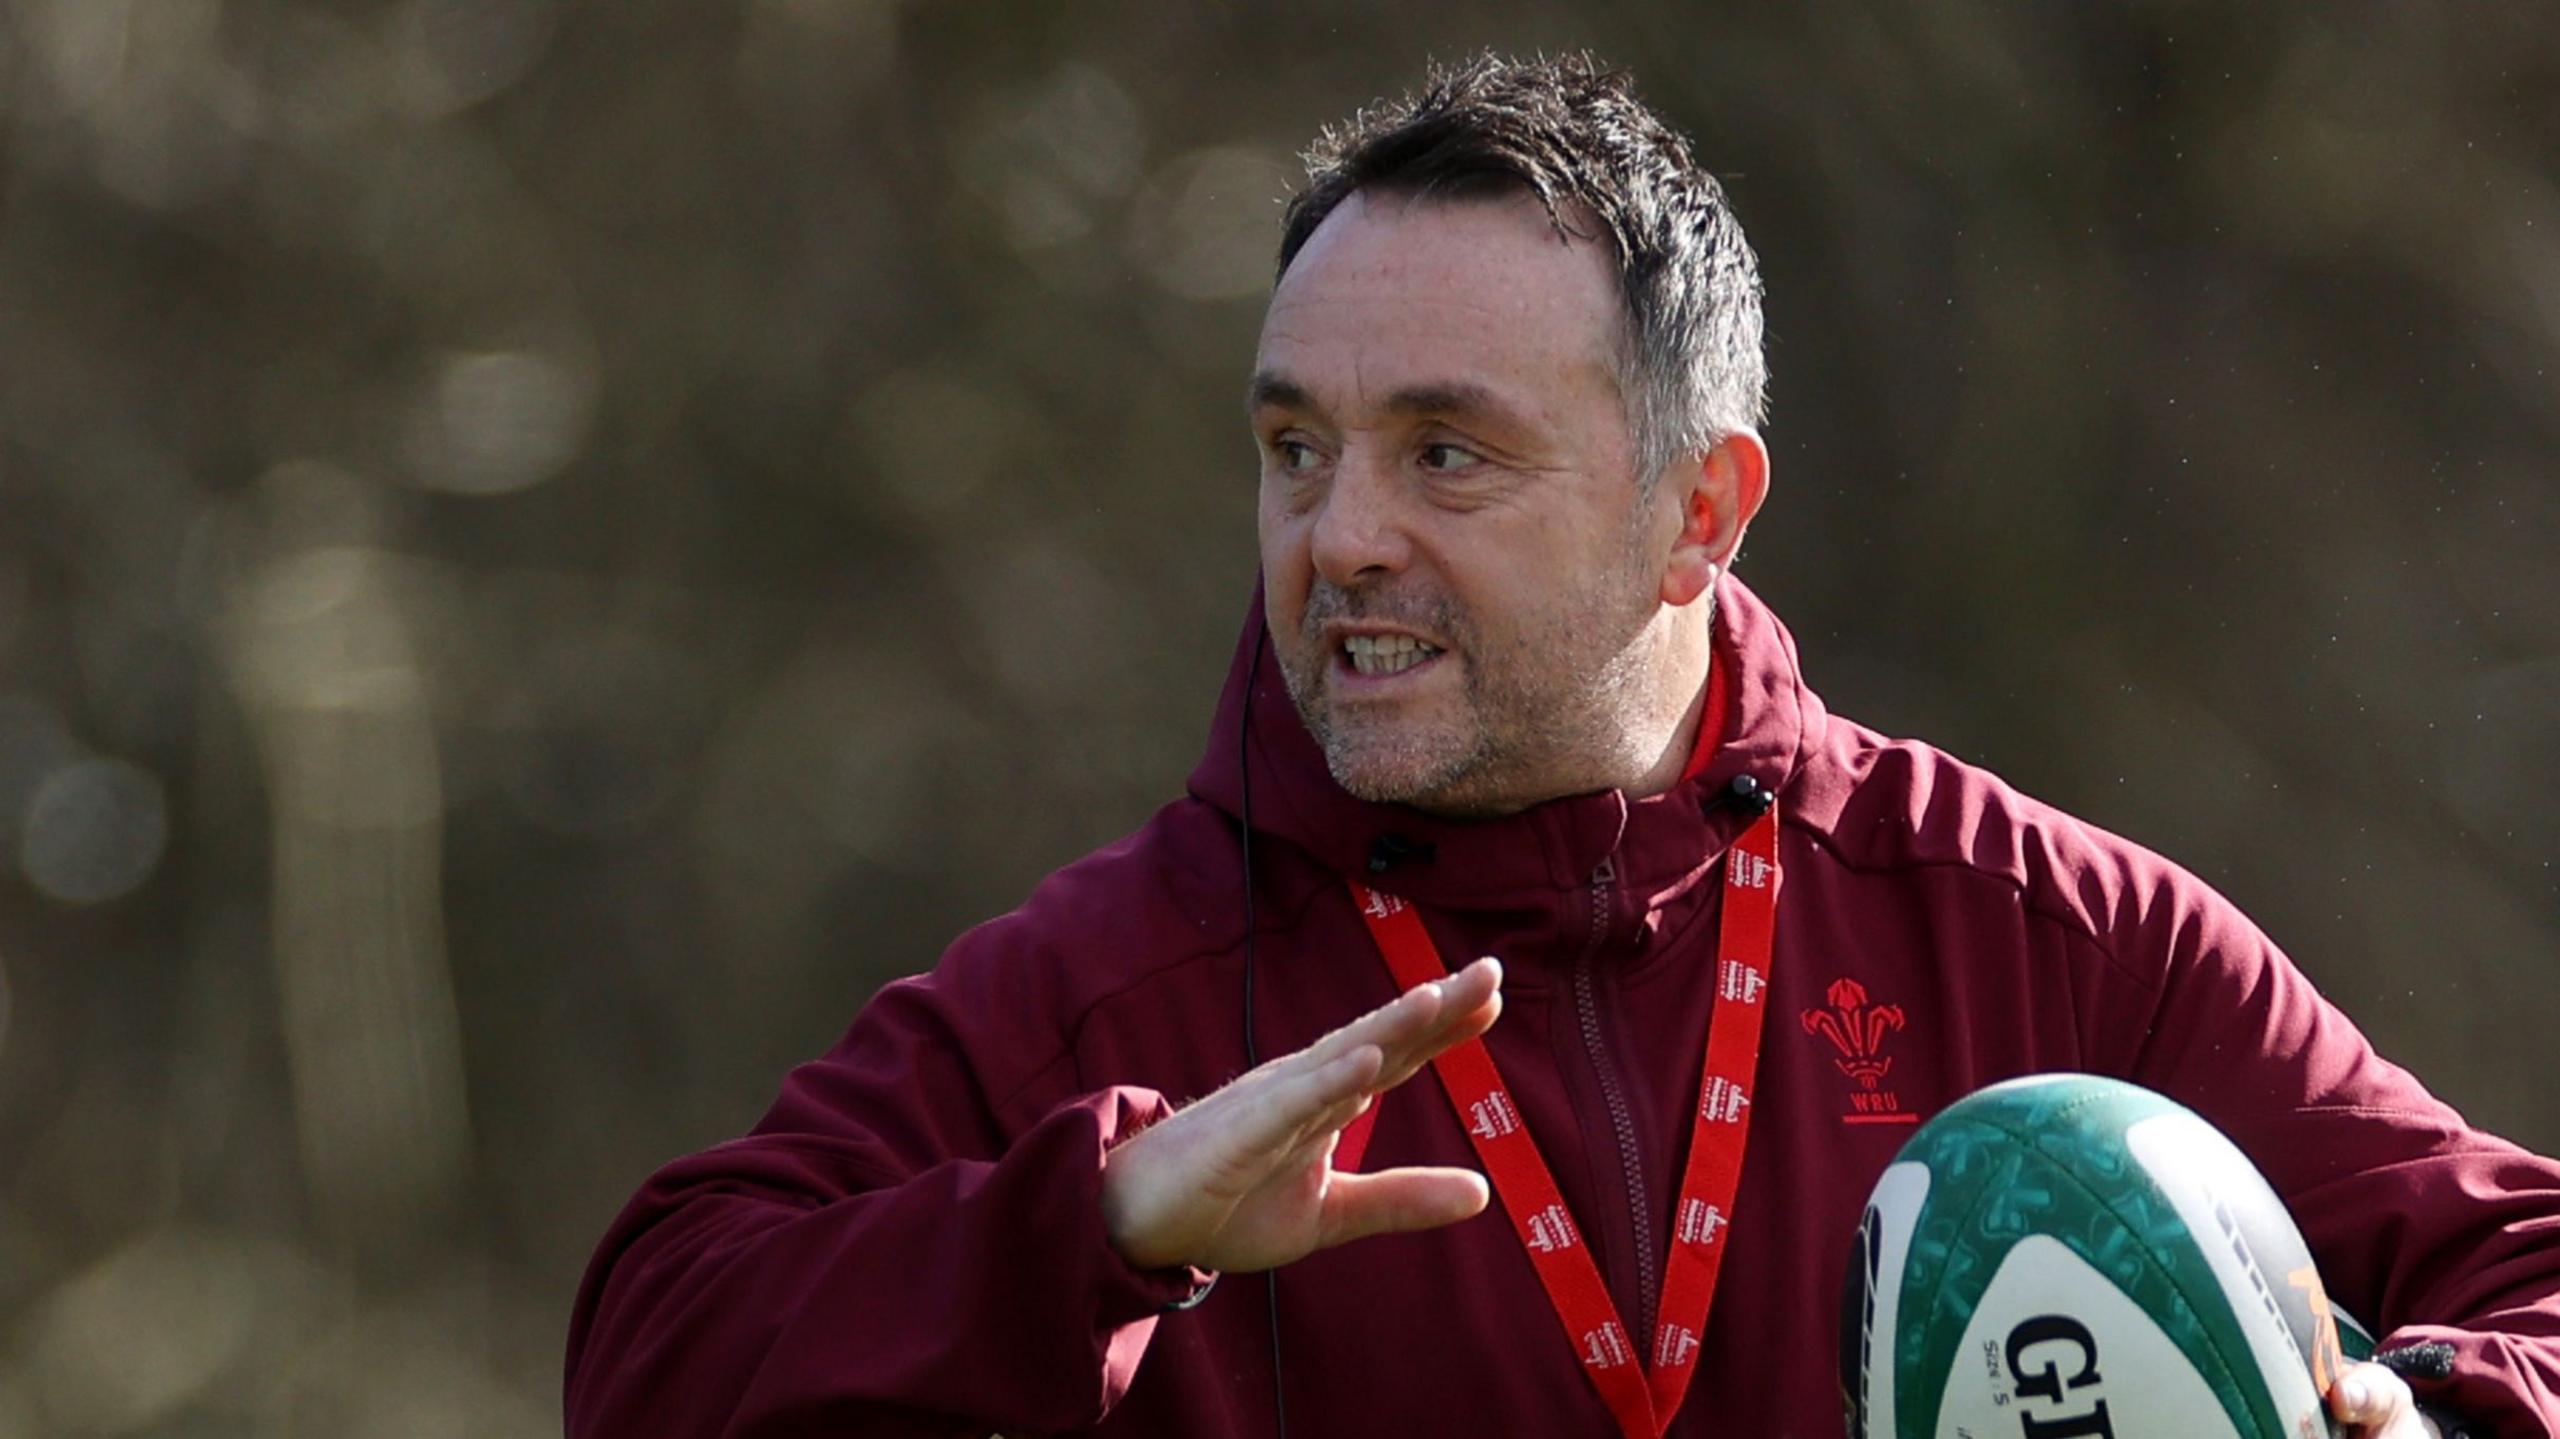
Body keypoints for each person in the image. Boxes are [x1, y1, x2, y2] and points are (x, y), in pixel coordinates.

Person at [564, 54, 2560, 1438]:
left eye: (1444, 452)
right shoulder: (1121, 1001)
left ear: (1700, 511)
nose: (1338, 534)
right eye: (1293, 448)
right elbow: (650, 1350)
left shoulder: (2032, 933)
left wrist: (2427, 1419)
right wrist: (1090, 1236)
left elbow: (2526, 1272)